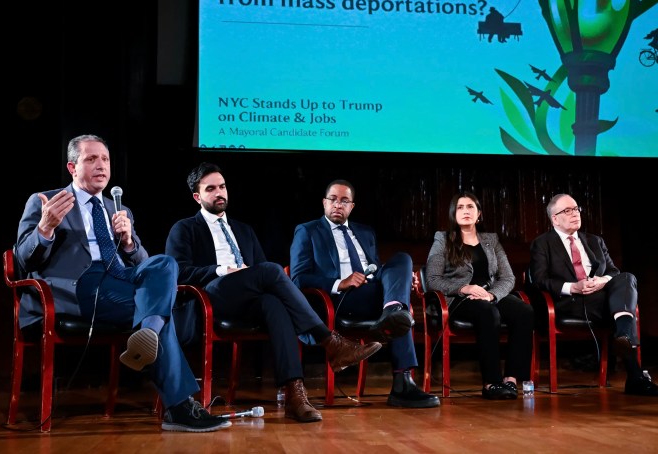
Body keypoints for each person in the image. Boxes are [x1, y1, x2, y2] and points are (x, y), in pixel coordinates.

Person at [15, 134, 230, 432]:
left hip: (119, 279)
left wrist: (128, 242)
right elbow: (24, 260)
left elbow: (145, 268)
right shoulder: (47, 201)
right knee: (162, 313)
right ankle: (178, 405)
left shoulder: (119, 209)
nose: (100, 165)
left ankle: (149, 336)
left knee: (164, 263)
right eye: (91, 159)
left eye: (105, 159)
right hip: (79, 286)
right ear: (72, 167)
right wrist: (46, 227)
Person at [165, 163, 382, 423]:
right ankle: (329, 341)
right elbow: (178, 272)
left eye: (222, 187)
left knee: (274, 304)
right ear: (197, 197)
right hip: (210, 297)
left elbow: (264, 278)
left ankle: (295, 394)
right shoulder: (185, 228)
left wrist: (250, 275)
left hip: (247, 299)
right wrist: (223, 269)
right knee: (271, 269)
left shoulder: (244, 230)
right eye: (210, 189)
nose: (219, 193)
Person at [290, 179, 440, 408]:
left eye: (344, 201)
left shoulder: (365, 232)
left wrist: (399, 280)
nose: (338, 205)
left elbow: (377, 269)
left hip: (373, 294)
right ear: (324, 202)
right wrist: (340, 282)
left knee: (402, 260)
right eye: (333, 199)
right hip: (342, 299)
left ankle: (393, 316)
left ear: (352, 206)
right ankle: (402, 382)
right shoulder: (307, 231)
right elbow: (298, 278)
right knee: (400, 308)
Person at [529, 193, 658, 396]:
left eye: (576, 209)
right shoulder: (542, 243)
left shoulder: (594, 241)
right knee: (624, 312)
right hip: (570, 301)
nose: (574, 214)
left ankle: (623, 337)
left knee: (627, 277)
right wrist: (573, 287)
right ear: (554, 219)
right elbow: (540, 279)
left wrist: (601, 280)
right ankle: (635, 376)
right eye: (567, 211)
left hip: (601, 297)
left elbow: (613, 272)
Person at [424, 192, 534, 399]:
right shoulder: (443, 240)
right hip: (458, 300)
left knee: (524, 311)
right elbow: (432, 279)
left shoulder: (491, 240)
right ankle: (491, 382)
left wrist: (492, 295)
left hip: (488, 296)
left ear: (479, 214)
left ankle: (511, 380)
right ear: (453, 214)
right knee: (487, 313)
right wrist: (463, 288)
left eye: (470, 207)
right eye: (460, 207)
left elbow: (508, 278)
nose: (466, 211)